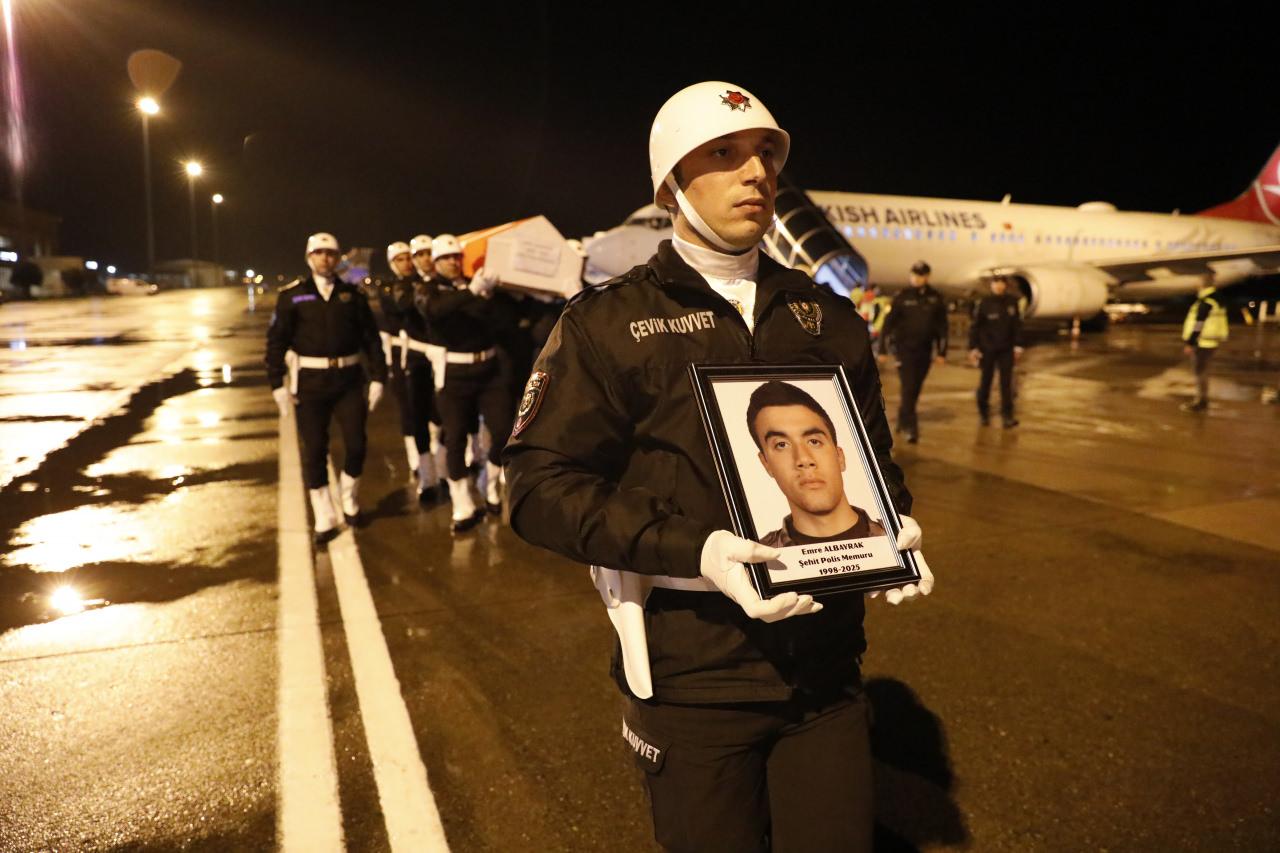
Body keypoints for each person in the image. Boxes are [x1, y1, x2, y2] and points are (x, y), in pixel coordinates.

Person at [503, 81, 934, 853]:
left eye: (766, 153)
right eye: (725, 154)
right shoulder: (607, 323)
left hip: (826, 673)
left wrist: (890, 525)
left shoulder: (826, 318)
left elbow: (873, 457)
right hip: (692, 674)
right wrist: (695, 550)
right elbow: (538, 488)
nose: (757, 171)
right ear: (670, 183)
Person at [266, 232, 386, 545]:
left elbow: (371, 339)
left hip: (348, 380)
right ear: (309, 258)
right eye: (319, 253)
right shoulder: (292, 296)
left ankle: (348, 497)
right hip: (311, 383)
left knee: (356, 444)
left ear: (337, 258)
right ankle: (323, 513)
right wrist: (277, 383)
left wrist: (378, 377)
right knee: (315, 449)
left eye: (330, 253)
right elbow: (277, 342)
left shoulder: (353, 295)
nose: (325, 258)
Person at [418, 234, 515, 530]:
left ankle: (489, 484)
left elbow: (502, 321)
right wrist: (471, 293)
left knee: (503, 431)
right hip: (454, 374)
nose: (453, 262)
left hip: (488, 370)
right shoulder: (428, 289)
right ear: (436, 262)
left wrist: (490, 296)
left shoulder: (476, 284)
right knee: (456, 436)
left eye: (456, 257)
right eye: (446, 258)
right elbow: (434, 311)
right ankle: (462, 503)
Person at [746, 380, 887, 547]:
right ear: (766, 464)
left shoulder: (896, 537)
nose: (803, 459)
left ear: (839, 457)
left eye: (814, 441)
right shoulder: (756, 558)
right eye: (781, 445)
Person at [378, 241, 440, 500]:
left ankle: (439, 461)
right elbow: (401, 306)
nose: (407, 263)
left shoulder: (426, 283)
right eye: (400, 259)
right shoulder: (391, 288)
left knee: (438, 412)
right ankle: (419, 463)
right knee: (411, 410)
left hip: (432, 353)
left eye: (408, 258)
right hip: (405, 355)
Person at [880, 260, 948, 443]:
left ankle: (903, 419)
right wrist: (882, 349)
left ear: (927, 277)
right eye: (914, 275)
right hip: (904, 351)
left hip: (924, 352)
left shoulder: (935, 298)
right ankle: (911, 427)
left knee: (914, 389)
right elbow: (887, 325)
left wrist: (942, 352)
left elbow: (942, 327)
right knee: (909, 388)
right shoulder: (902, 296)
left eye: (921, 275)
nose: (917, 278)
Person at [967, 275, 1024, 427]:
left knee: (1006, 384)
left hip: (1006, 349)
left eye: (1001, 283)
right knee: (986, 381)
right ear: (991, 285)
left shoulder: (1012, 303)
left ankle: (1007, 415)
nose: (998, 286)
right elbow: (975, 327)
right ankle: (983, 413)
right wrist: (973, 347)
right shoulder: (984, 303)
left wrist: (1018, 345)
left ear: (1005, 285)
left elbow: (1017, 326)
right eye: (995, 283)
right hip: (988, 349)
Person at [1180, 278, 1229, 412]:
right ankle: (1202, 400)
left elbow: (1198, 324)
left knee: (1200, 372)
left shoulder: (1206, 302)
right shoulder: (1217, 300)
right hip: (1211, 341)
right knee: (1203, 371)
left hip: (1202, 342)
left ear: (1202, 285)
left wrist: (1190, 343)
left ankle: (1201, 402)